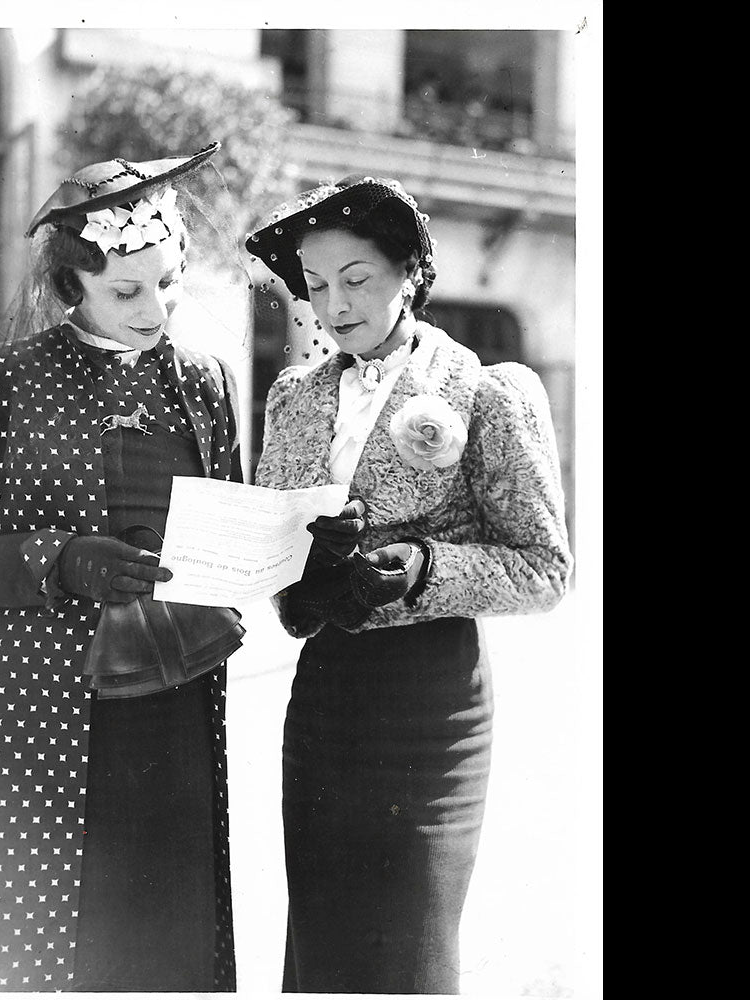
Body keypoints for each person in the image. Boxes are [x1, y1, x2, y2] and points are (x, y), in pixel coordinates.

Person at [0, 142, 243, 993]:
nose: (156, 308)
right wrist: (59, 561)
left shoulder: (203, 383)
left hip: (167, 715)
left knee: (155, 949)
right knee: (30, 953)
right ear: (72, 286)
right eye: (126, 291)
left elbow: (230, 532)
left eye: (170, 282)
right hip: (27, 720)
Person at [245, 174, 572, 994]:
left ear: (410, 274)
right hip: (325, 703)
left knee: (409, 950)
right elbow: (281, 577)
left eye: (356, 279)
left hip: (432, 711)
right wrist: (309, 581)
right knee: (323, 944)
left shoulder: (488, 391)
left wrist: (424, 569)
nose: (335, 306)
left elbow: (544, 568)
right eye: (316, 287)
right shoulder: (294, 398)